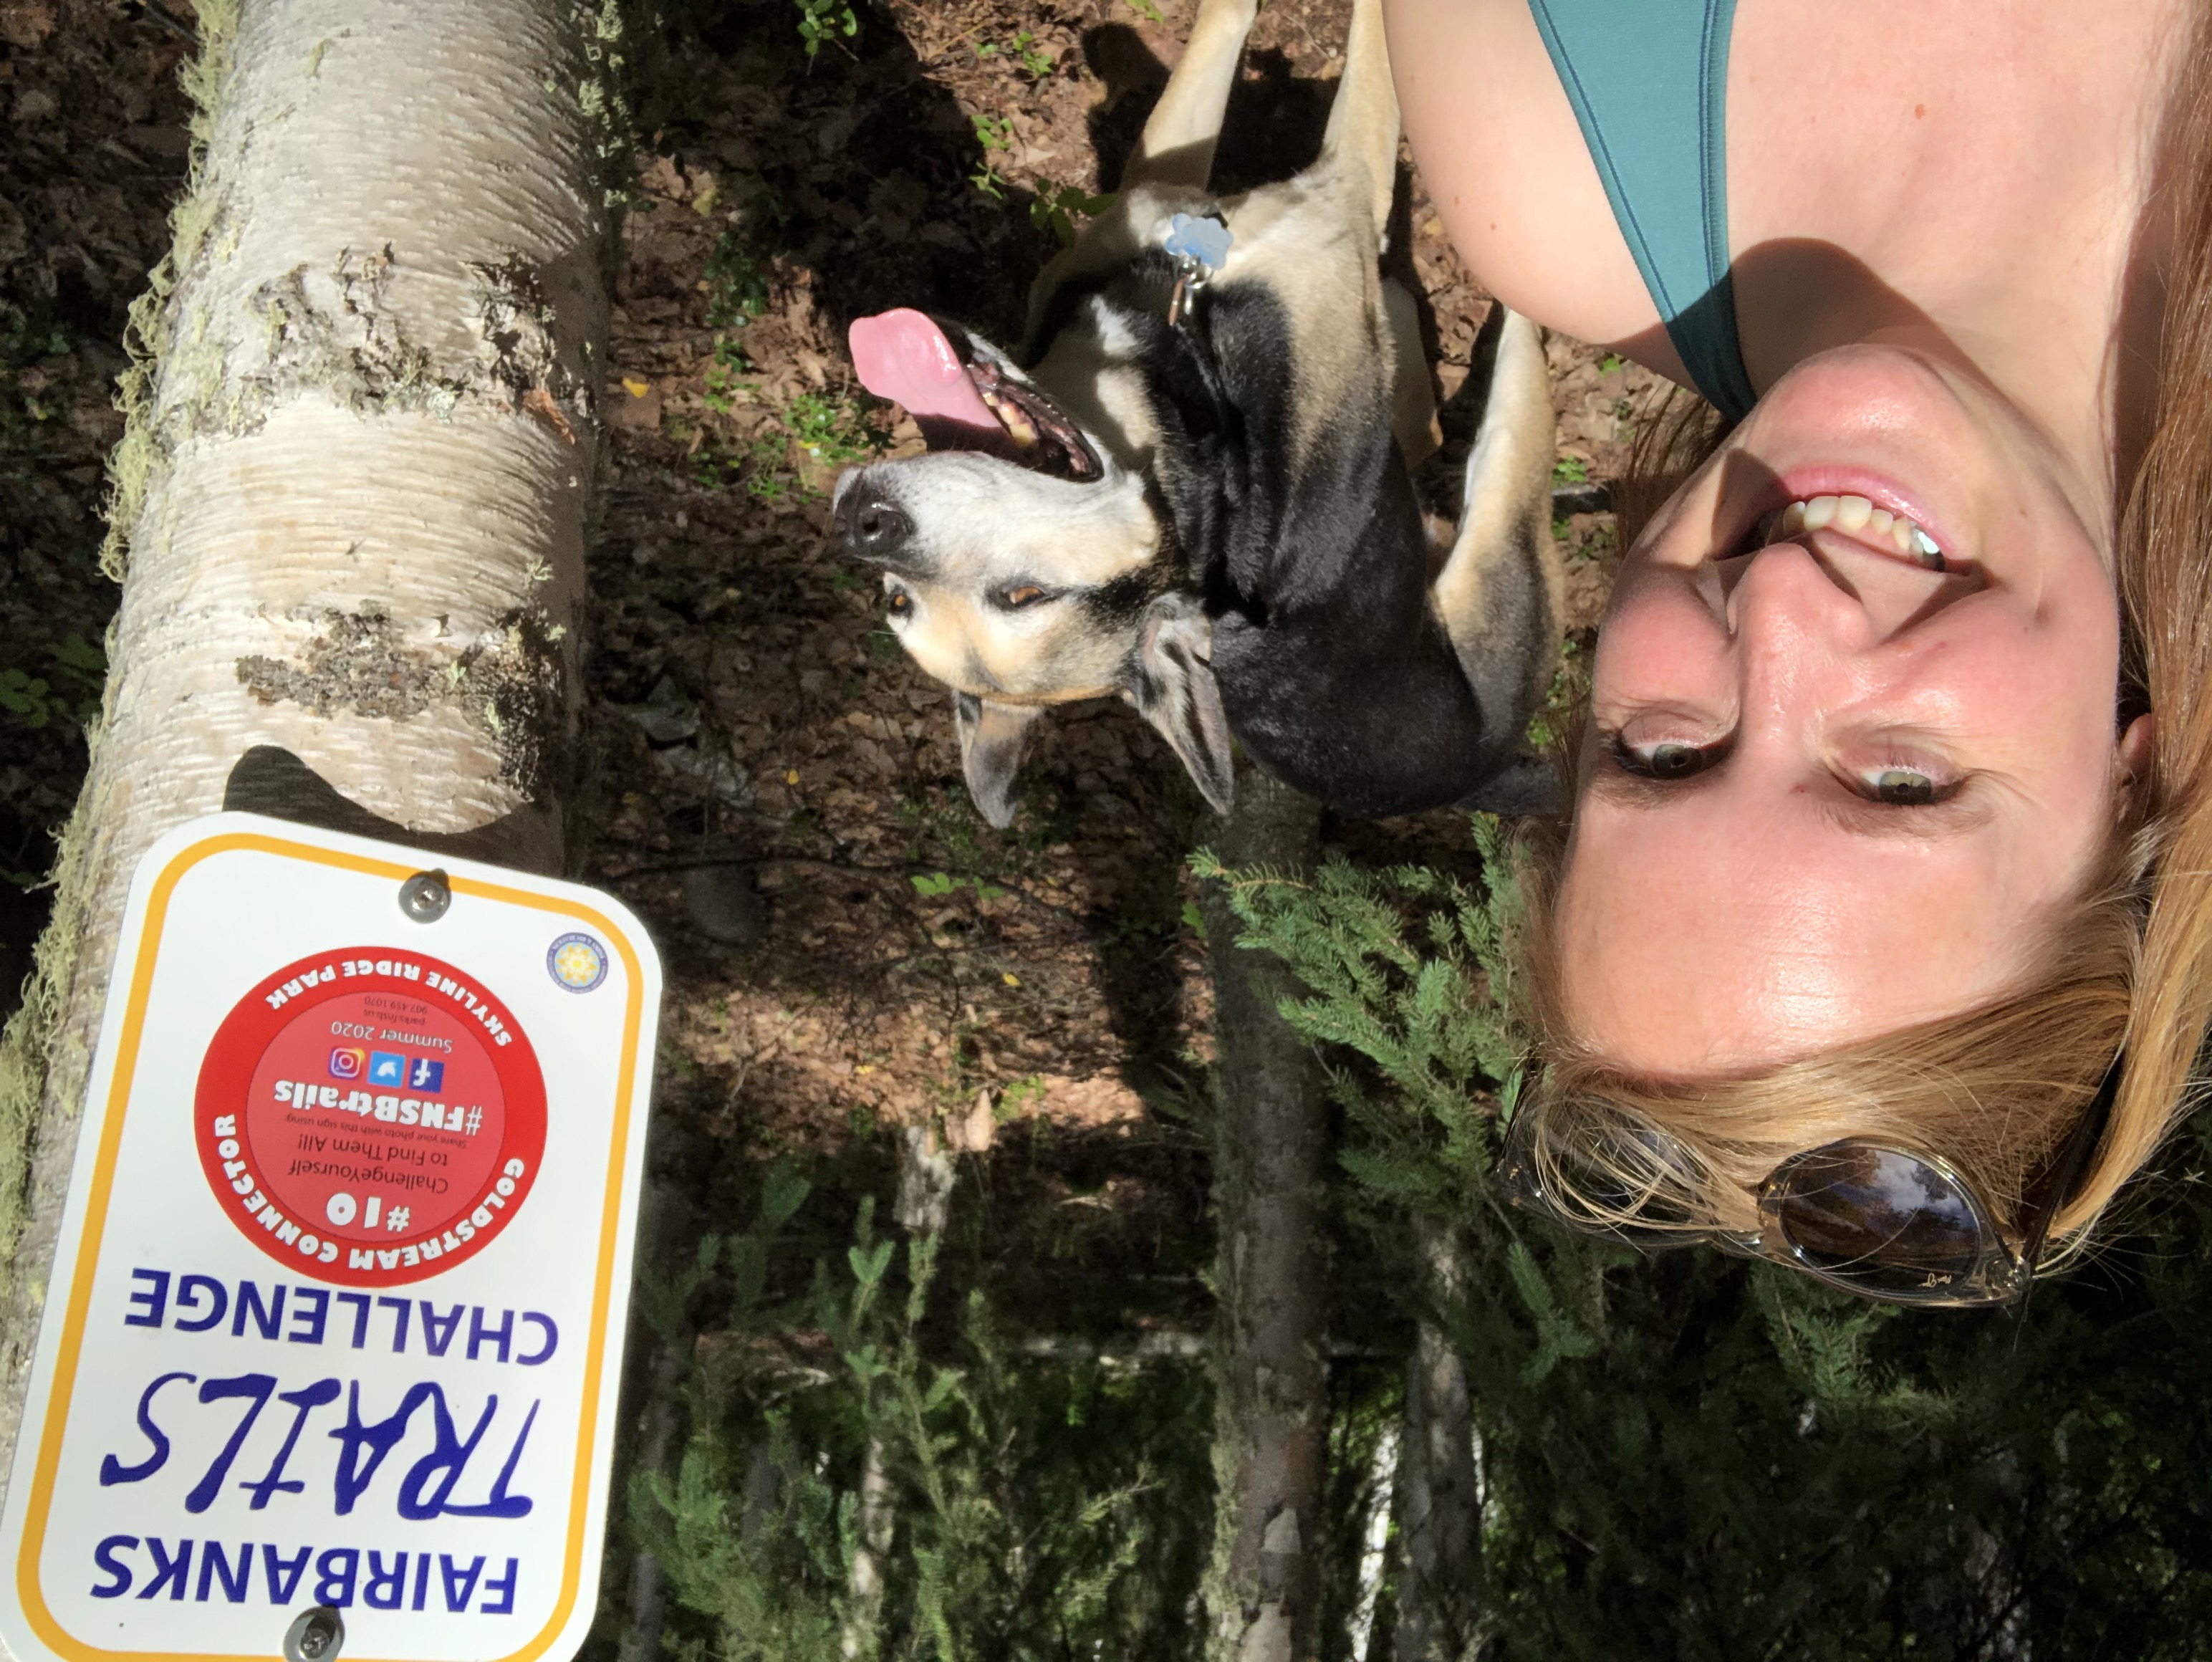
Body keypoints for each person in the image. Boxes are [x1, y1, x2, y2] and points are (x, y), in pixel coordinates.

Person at [1382, 0, 2212, 1301]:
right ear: (2131, 784)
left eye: (1662, 753)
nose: (1776, 616)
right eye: (1899, 783)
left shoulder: (1555, 154)